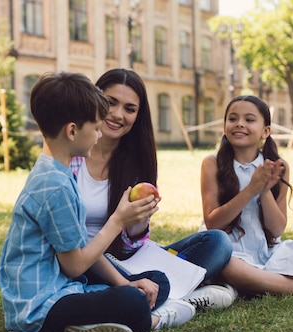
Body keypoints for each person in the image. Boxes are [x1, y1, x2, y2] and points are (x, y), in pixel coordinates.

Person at [0, 71, 194, 332]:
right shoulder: (54, 185)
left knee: (146, 287)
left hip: (60, 291)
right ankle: (153, 320)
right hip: (36, 309)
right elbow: (75, 265)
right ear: (73, 131)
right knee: (133, 303)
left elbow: (81, 249)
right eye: (96, 128)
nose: (100, 134)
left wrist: (126, 282)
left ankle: (90, 324)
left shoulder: (59, 173)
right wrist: (118, 221)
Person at [70, 68, 237, 311]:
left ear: (138, 115)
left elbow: (130, 247)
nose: (118, 115)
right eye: (110, 103)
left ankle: (146, 294)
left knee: (218, 242)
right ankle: (177, 299)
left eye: (130, 109)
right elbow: (65, 239)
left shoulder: (135, 163)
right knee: (154, 281)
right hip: (82, 259)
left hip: (126, 260)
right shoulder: (70, 154)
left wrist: (137, 222)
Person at [200, 95, 293, 296]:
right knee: (226, 265)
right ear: (224, 126)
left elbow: (277, 229)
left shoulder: (278, 166)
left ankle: (257, 283)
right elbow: (213, 224)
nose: (239, 124)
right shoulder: (212, 163)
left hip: (269, 252)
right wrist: (251, 190)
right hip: (229, 253)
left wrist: (264, 191)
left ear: (266, 131)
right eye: (232, 119)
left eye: (249, 120)